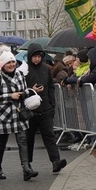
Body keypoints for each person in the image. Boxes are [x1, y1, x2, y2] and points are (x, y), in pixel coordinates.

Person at [0, 50, 38, 181]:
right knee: (1, 143)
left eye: (13, 62)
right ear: (3, 65)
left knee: (23, 141)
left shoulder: (20, 75)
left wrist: (29, 91)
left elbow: (23, 91)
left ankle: (26, 168)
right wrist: (10, 96)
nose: (11, 64)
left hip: (19, 113)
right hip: (4, 115)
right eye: (8, 62)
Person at [24, 43, 67, 174]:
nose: (37, 59)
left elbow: (50, 87)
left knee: (49, 135)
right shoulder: (24, 70)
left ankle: (55, 161)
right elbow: (21, 88)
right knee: (29, 137)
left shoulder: (46, 69)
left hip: (45, 108)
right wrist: (32, 89)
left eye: (39, 56)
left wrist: (52, 105)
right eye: (34, 56)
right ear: (30, 56)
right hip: (30, 109)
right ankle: (27, 163)